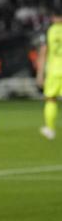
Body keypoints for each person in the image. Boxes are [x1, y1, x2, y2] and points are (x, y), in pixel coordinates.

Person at [37, 12, 62, 140]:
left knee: (51, 99)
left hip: (54, 71)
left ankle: (50, 129)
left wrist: (40, 73)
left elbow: (43, 52)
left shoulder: (49, 31)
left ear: (53, 17)